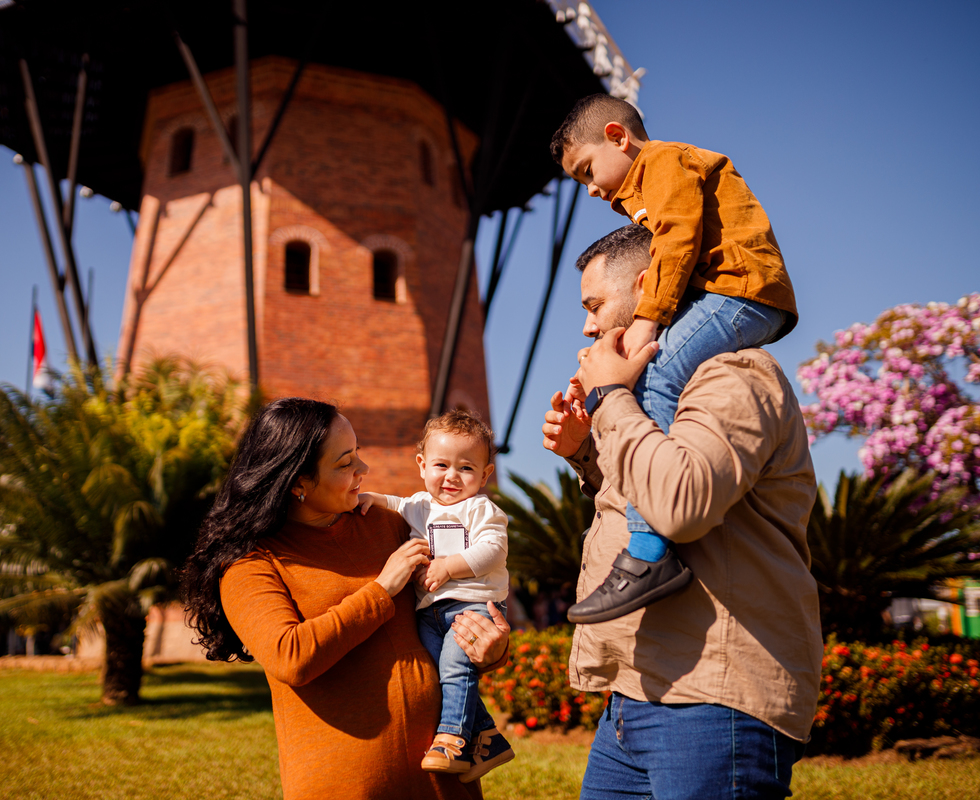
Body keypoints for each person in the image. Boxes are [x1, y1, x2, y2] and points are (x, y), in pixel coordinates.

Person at [542, 225, 822, 799]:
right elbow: (644, 497)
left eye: (595, 305)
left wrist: (611, 399)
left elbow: (681, 505)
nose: (588, 326)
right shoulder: (656, 396)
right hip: (634, 698)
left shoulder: (733, 374)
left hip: (713, 700)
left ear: (648, 287)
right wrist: (586, 453)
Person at [181, 398, 511, 800]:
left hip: (442, 782)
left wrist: (490, 647)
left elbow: (457, 601)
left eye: (358, 454)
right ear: (298, 482)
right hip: (347, 786)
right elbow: (292, 657)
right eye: (344, 463)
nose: (364, 471)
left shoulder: (390, 524)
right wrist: (381, 589)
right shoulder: (250, 565)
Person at [550, 94, 799, 623]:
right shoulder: (643, 188)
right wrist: (585, 450)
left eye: (588, 170)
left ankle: (647, 554)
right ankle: (645, 551)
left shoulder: (664, 162)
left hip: (739, 292)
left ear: (618, 137)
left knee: (656, 369)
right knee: (657, 377)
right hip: (733, 295)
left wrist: (645, 325)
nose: (591, 188)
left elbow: (678, 240)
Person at [360, 410, 514, 781]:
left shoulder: (481, 508)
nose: (451, 476)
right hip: (430, 612)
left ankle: (453, 741)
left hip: (472, 604)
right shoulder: (418, 505)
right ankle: (488, 738)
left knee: (455, 668)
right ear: (422, 465)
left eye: (466, 468)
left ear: (485, 474)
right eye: (441, 465)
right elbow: (394, 504)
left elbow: (493, 549)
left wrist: (449, 566)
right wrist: (370, 498)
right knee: (437, 673)